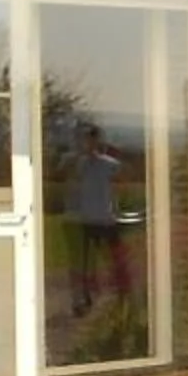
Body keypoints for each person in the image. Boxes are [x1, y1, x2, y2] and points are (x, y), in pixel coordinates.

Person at [66, 122, 127, 313]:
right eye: (86, 140)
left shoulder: (109, 165)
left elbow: (124, 177)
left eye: (91, 140)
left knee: (113, 259)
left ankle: (121, 295)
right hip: (88, 219)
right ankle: (86, 297)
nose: (88, 144)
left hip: (106, 218)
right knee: (86, 262)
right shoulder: (79, 165)